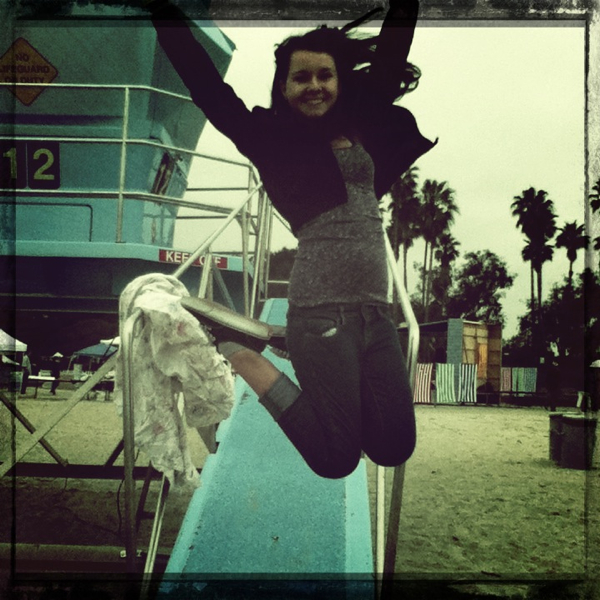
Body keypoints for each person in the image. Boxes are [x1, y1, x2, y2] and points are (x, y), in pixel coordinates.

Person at [148, 0, 436, 479]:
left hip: (375, 310)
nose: (314, 86)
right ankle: (241, 353)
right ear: (283, 87)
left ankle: (271, 346)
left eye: (325, 75)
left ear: (340, 81)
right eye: (301, 78)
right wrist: (164, 14)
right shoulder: (268, 138)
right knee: (336, 459)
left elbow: (389, 60)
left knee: (394, 444)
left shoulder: (359, 124)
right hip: (322, 313)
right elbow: (208, 88)